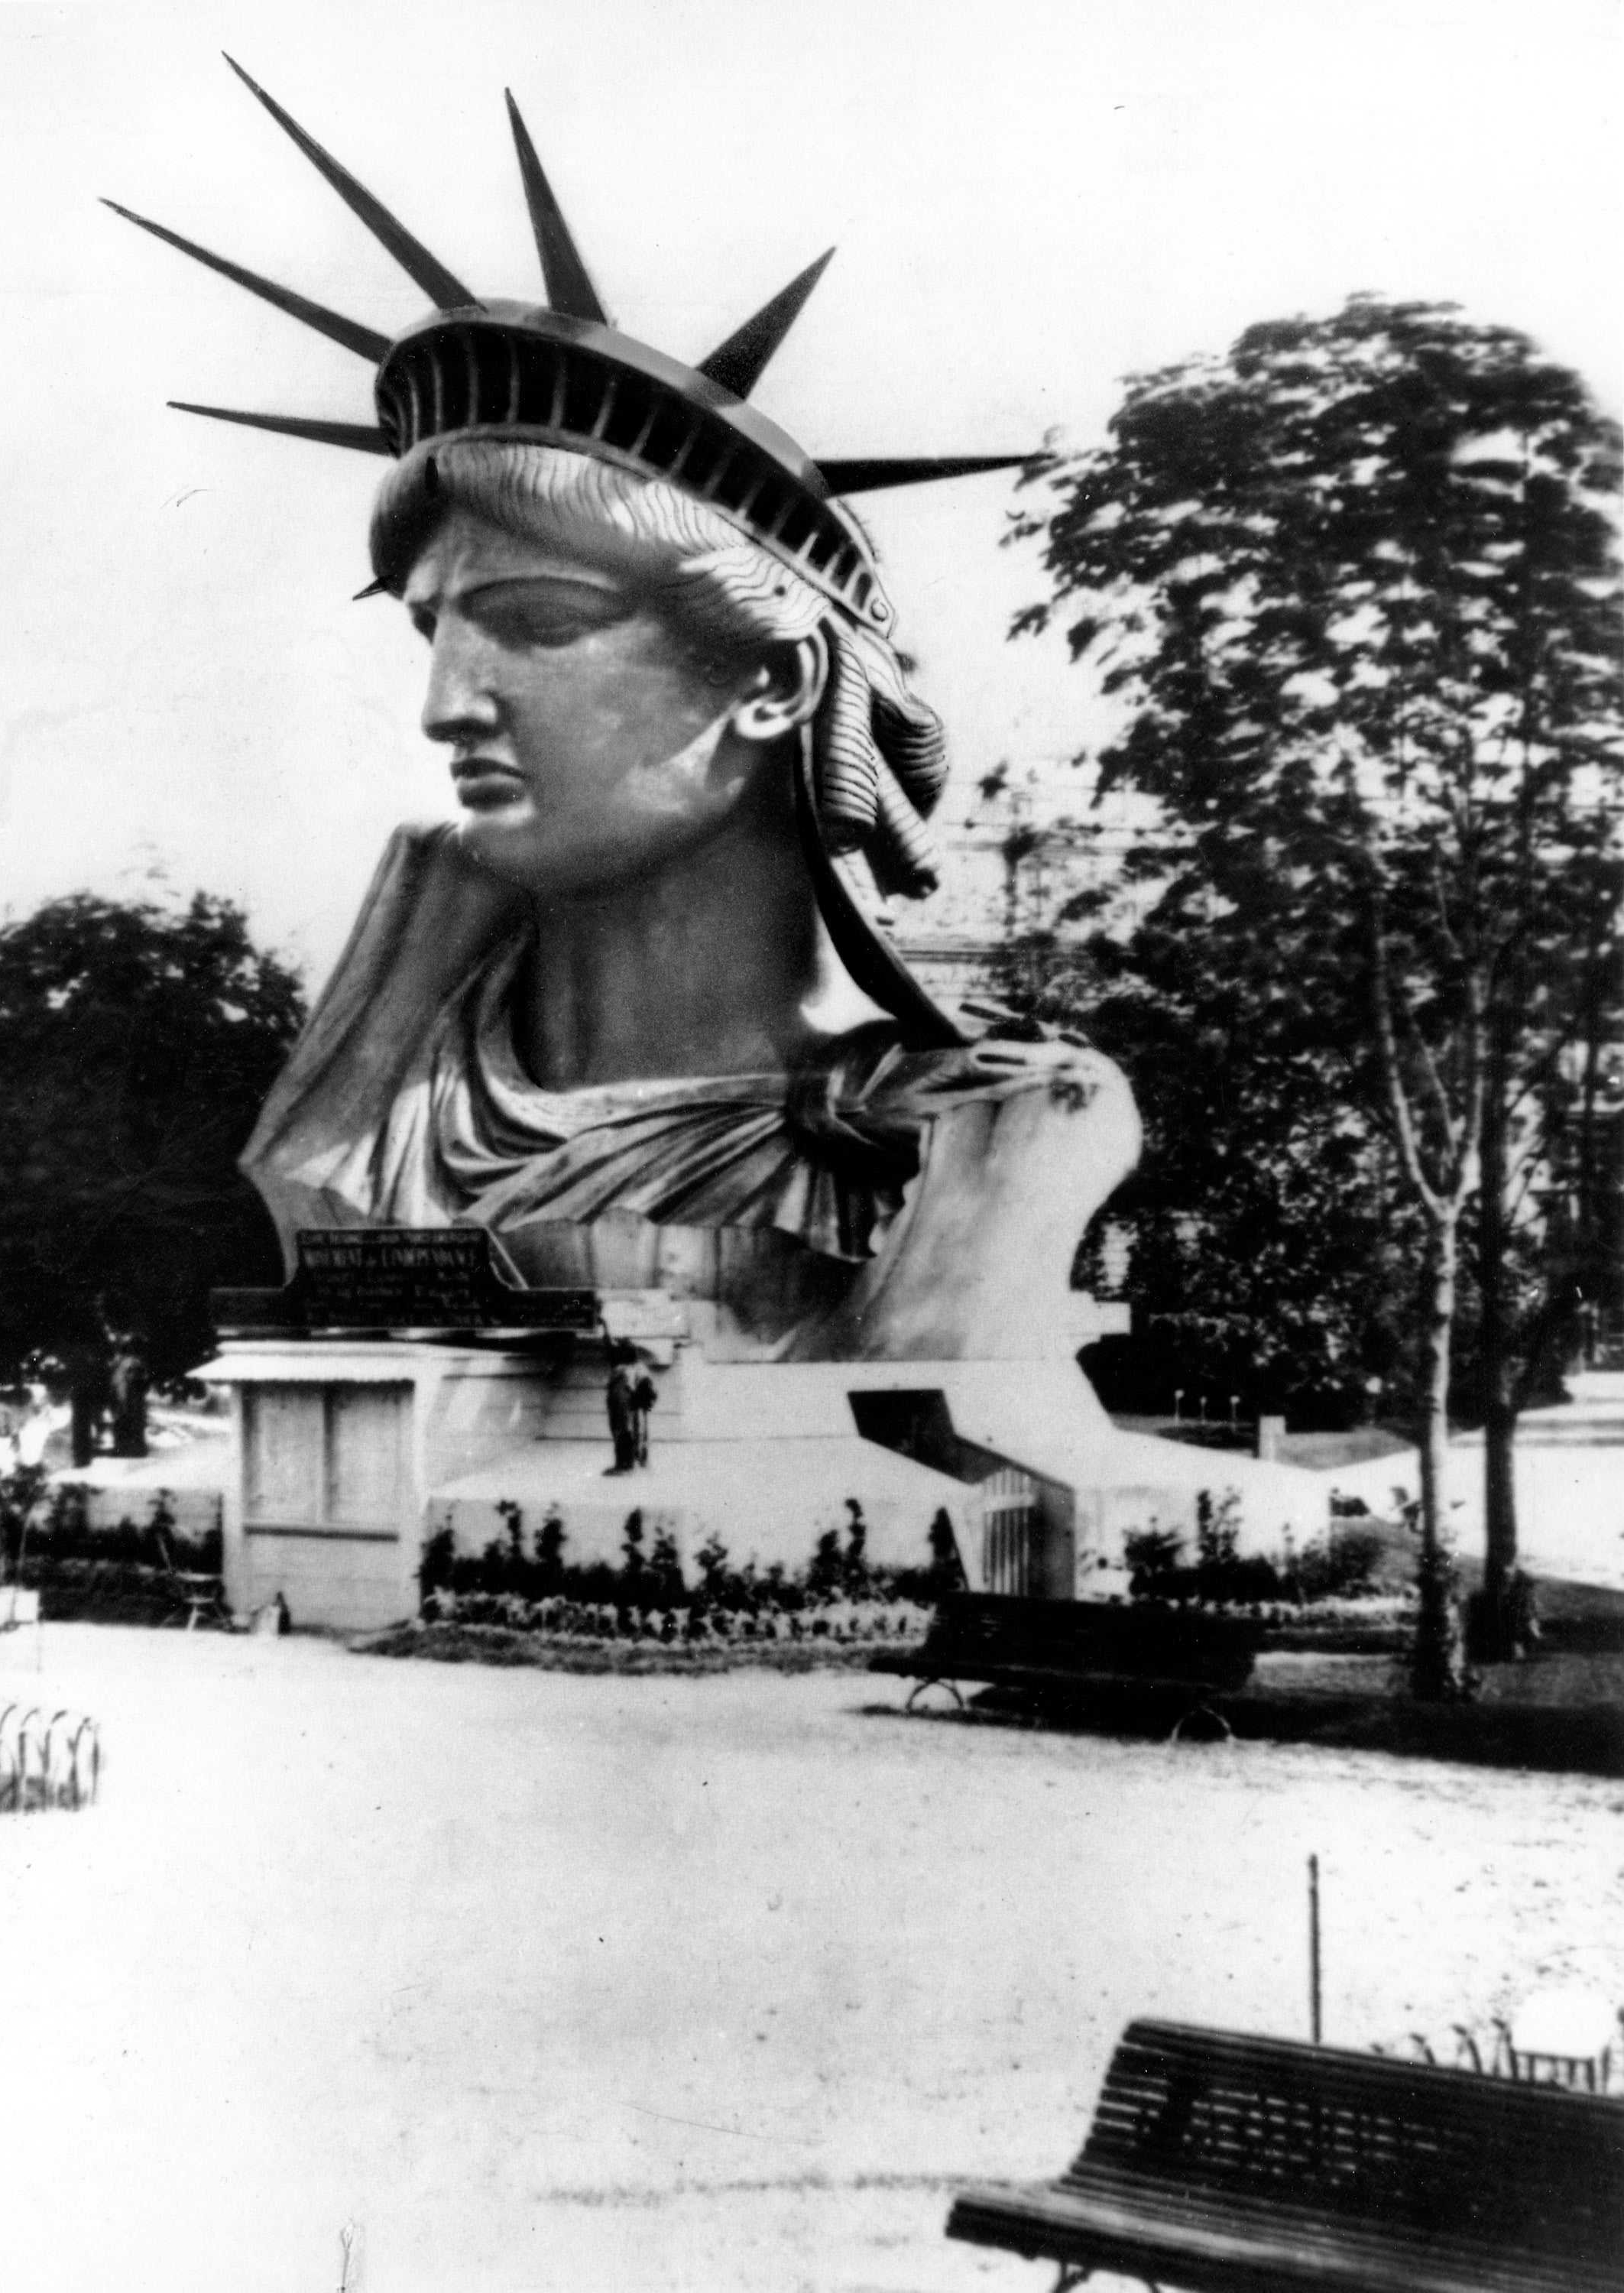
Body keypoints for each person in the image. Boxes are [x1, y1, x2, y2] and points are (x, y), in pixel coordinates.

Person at [120, 79, 1138, 1361]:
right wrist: (381, 1017)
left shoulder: (977, 1123)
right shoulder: (384, 1083)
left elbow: (936, 1442)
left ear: (771, 681)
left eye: (539, 623)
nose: (444, 708)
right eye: (432, 630)